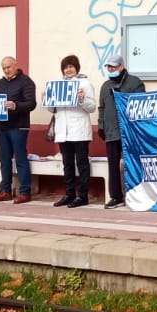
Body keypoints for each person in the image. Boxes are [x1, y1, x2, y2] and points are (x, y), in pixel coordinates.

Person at [48, 54, 97, 208]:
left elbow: (91, 107)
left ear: (77, 68)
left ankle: (83, 195)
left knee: (82, 163)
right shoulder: (58, 85)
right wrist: (47, 98)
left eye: (71, 66)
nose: (68, 70)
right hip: (63, 131)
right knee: (67, 164)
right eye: (65, 67)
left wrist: (81, 99)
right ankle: (69, 194)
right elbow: (52, 109)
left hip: (79, 130)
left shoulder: (84, 83)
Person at [96, 55, 145, 208]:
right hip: (111, 131)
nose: (111, 70)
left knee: (133, 163)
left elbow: (140, 104)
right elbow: (102, 107)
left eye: (114, 67)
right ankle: (116, 196)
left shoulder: (135, 83)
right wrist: (101, 125)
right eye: (109, 67)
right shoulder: (105, 86)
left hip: (130, 132)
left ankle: (138, 193)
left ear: (122, 66)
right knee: (113, 165)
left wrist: (120, 95)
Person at [0, 56, 37, 204]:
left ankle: (24, 192)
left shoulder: (26, 81)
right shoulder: (0, 83)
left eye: (8, 67)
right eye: (3, 68)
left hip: (19, 127)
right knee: (4, 160)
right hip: (2, 127)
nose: (6, 70)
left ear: (16, 65)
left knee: (20, 159)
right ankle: (5, 191)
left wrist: (16, 106)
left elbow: (31, 104)